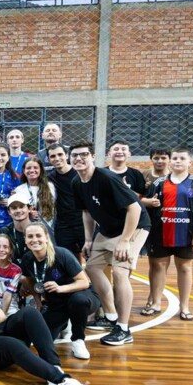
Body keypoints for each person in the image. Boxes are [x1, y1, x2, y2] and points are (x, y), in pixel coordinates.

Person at [70, 140, 151, 346]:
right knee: (94, 269)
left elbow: (135, 209)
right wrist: (89, 239)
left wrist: (125, 241)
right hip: (106, 230)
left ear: (93, 157)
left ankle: (123, 329)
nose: (79, 159)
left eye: (83, 155)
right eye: (75, 156)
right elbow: (87, 211)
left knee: (119, 272)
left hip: (133, 227)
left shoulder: (106, 178)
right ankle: (110, 316)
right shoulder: (76, 183)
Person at [142, 147, 193, 321]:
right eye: (175, 158)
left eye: (182, 158)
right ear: (170, 161)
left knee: (185, 268)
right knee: (158, 267)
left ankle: (184, 306)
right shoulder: (159, 183)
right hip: (160, 232)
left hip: (186, 233)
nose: (178, 161)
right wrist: (151, 202)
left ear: (190, 162)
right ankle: (156, 303)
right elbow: (146, 201)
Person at [21, 222, 100, 360]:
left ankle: (78, 340)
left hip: (80, 295)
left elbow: (84, 282)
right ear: (25, 240)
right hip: (56, 302)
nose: (34, 240)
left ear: (46, 237)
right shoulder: (27, 259)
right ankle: (64, 323)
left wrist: (61, 288)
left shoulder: (62, 254)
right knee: (44, 336)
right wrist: (38, 301)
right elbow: (29, 281)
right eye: (30, 236)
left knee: (78, 301)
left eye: (38, 235)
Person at [46, 143, 84, 260]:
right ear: (48, 159)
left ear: (67, 155)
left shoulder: (80, 173)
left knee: (92, 260)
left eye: (60, 154)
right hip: (63, 225)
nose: (57, 158)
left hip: (83, 222)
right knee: (69, 259)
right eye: (53, 156)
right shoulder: (49, 178)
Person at [12, 157, 57, 224]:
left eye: (35, 167)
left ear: (40, 170)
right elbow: (16, 211)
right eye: (28, 168)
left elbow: (53, 208)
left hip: (48, 226)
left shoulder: (50, 186)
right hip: (28, 227)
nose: (32, 170)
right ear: (24, 171)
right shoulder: (19, 190)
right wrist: (28, 213)